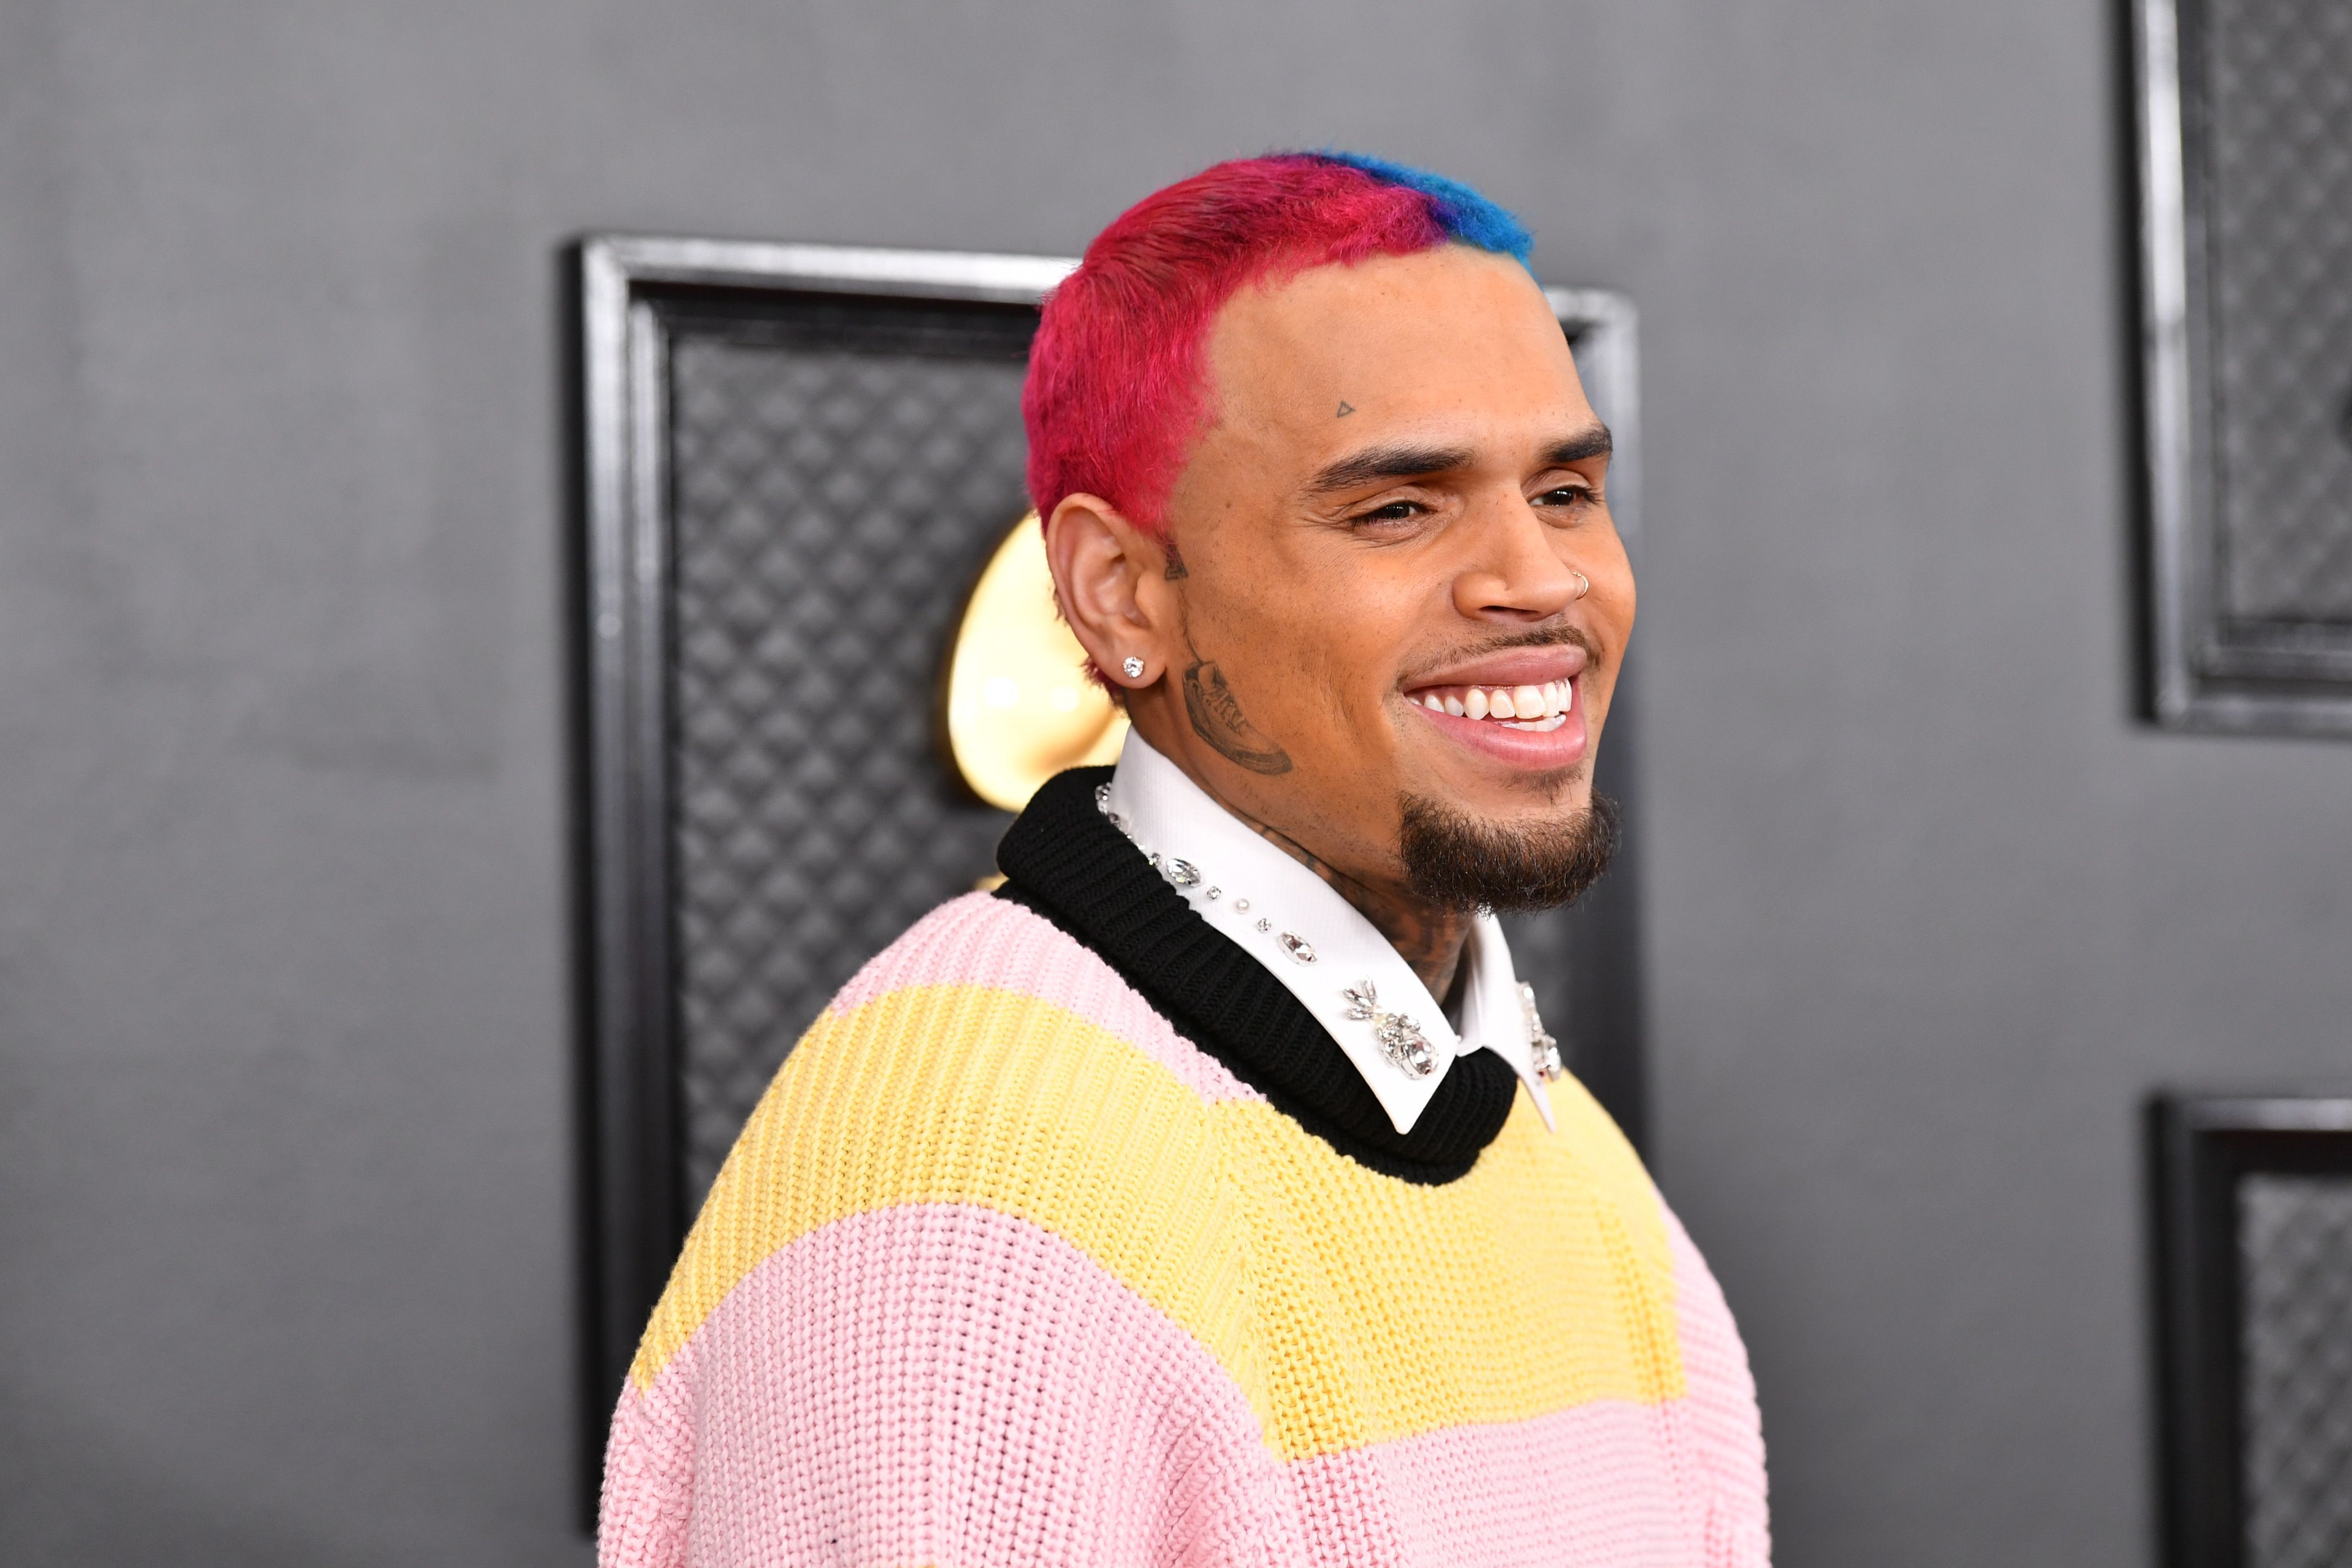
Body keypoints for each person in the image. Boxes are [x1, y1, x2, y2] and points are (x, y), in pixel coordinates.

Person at [598, 151, 1769, 1567]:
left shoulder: (1563, 1156)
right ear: (1122, 594)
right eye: (1400, 506)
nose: (1541, 580)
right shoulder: (974, 1207)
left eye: (1569, 490)